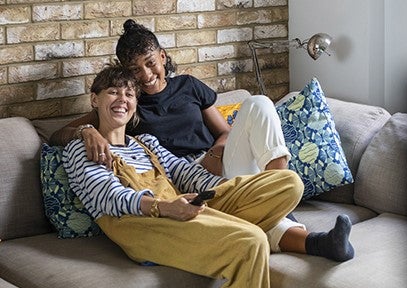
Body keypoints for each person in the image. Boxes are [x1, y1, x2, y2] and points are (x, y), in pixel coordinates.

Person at [62, 64, 315, 288]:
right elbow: (108, 197)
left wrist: (227, 191)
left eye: (129, 93)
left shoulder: (147, 143)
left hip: (181, 208)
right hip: (142, 225)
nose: (123, 99)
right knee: (250, 242)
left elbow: (187, 173)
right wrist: (166, 207)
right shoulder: (80, 149)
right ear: (95, 100)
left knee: (287, 184)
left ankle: (227, 229)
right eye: (113, 92)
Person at [51, 19, 353, 262]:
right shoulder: (127, 103)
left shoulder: (189, 86)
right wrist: (86, 131)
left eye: (150, 63)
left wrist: (216, 153)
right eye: (134, 70)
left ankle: (277, 195)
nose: (145, 74)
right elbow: (57, 135)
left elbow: (225, 131)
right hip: (185, 181)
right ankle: (320, 243)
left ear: (162, 57)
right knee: (248, 217)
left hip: (220, 164)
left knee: (259, 103)